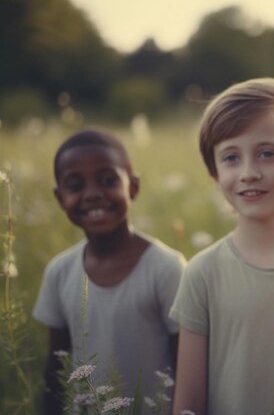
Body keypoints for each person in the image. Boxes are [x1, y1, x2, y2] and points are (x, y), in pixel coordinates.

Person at [169, 77, 274, 415]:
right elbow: (187, 404)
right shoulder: (202, 273)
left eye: (267, 153)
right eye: (231, 157)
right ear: (215, 174)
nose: (249, 172)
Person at [33, 128, 186, 415]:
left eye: (108, 180)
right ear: (59, 197)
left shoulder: (166, 268)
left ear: (133, 187)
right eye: (76, 185)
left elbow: (187, 367)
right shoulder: (59, 272)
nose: (92, 194)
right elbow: (56, 369)